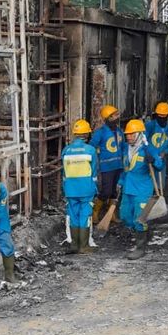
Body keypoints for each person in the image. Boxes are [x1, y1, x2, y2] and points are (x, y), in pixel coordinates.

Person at [118, 118, 164, 260]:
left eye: (132, 134)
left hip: (142, 190)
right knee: (125, 216)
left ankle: (140, 247)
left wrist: (154, 160)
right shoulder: (126, 149)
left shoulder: (148, 149)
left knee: (140, 219)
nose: (129, 137)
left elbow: (160, 166)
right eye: (127, 134)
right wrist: (120, 181)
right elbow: (125, 168)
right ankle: (144, 233)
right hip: (128, 188)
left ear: (139, 134)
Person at [61, 119, 99, 254]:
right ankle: (83, 246)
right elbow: (94, 173)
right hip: (86, 189)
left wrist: (65, 189)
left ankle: (74, 245)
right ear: (87, 134)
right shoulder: (91, 150)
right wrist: (95, 189)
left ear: (74, 134)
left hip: (70, 190)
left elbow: (64, 173)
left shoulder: (66, 150)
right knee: (85, 216)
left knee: (73, 216)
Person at [89, 104, 124, 223]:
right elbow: (92, 146)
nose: (117, 117)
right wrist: (97, 155)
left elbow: (123, 147)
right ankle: (95, 211)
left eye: (117, 115)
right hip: (107, 167)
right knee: (106, 191)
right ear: (108, 118)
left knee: (115, 192)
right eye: (114, 115)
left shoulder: (119, 131)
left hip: (118, 166)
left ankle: (111, 214)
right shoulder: (101, 132)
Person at [145, 102, 168, 191]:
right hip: (149, 160)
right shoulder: (150, 126)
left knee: (160, 187)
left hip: (161, 161)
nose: (161, 119)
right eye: (159, 117)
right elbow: (143, 142)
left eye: (164, 117)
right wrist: (148, 154)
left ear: (167, 116)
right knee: (148, 186)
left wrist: (165, 152)